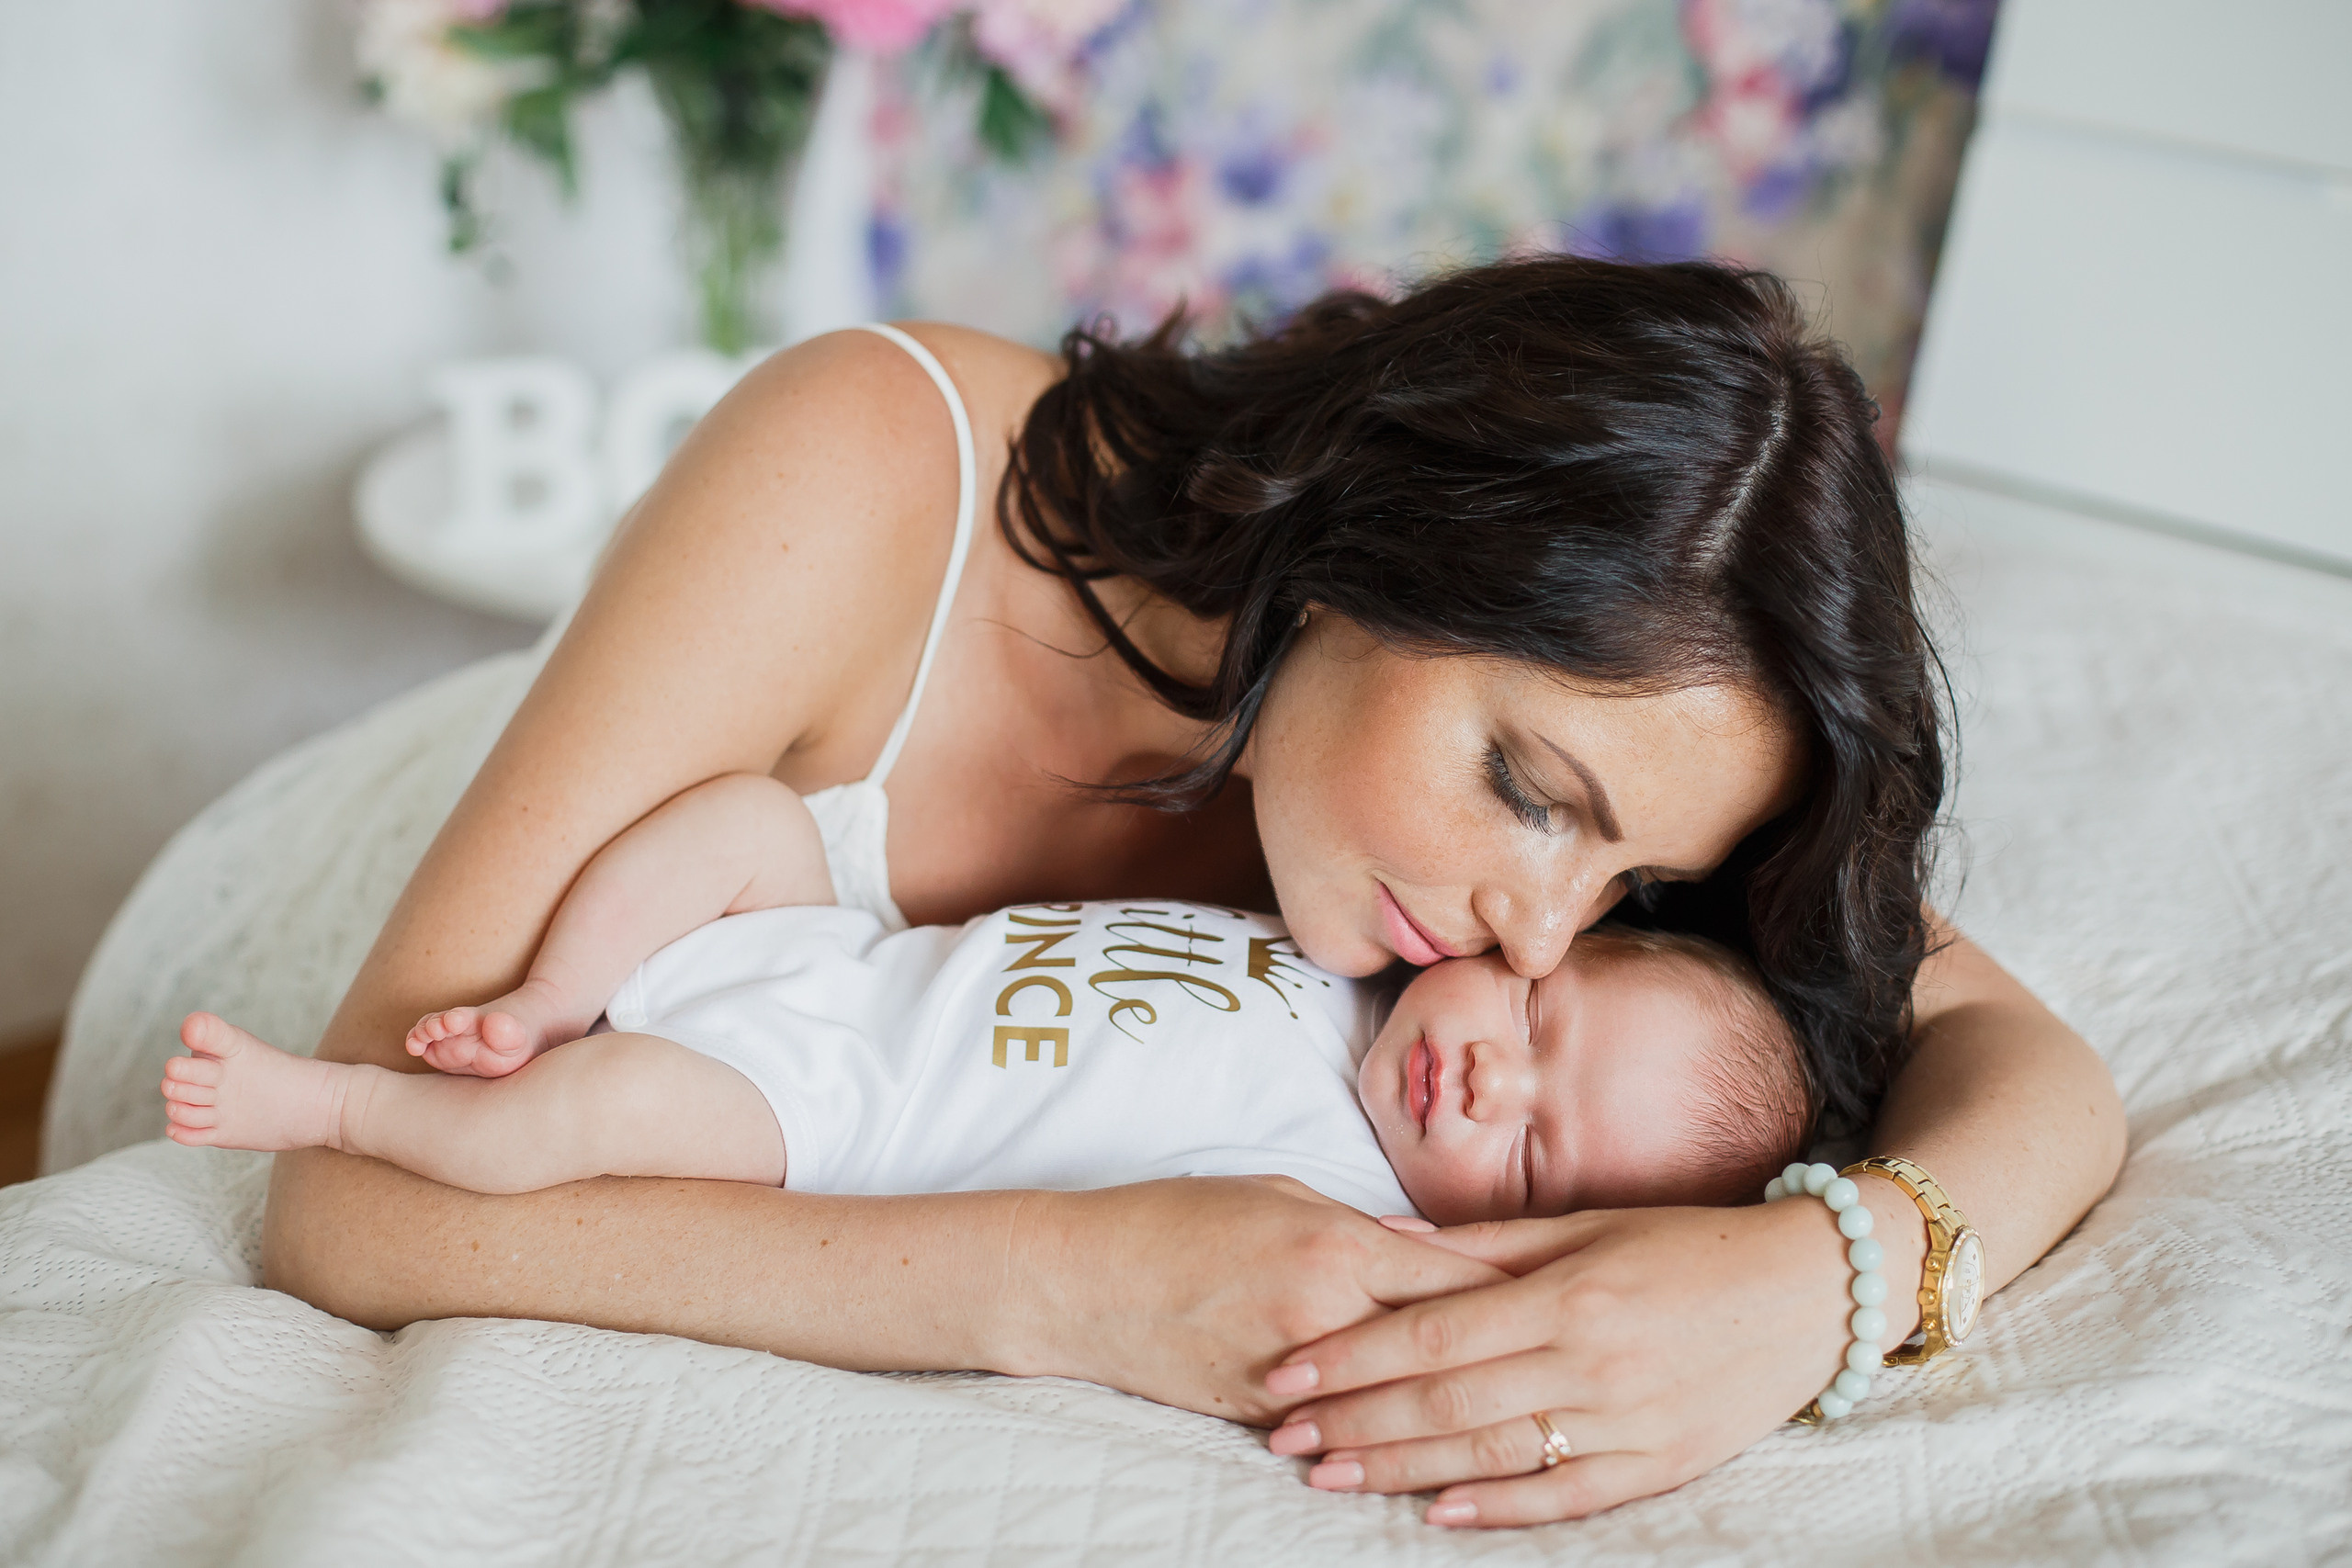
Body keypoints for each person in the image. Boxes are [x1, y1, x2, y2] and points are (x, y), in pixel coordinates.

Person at [261, 257, 2125, 1528]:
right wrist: (1066, 1278)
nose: (1540, 932)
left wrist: (1817, 1279)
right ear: (1370, 538)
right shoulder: (860, 474)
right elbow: (343, 1204)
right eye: (1524, 791)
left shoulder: (1510, 929)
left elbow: (2023, 1059)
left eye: (1637, 877)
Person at [161, 772, 1812, 1224]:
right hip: (845, 964)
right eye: (1536, 1031)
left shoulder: (1340, 1193)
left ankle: (334, 1105)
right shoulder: (1356, 943)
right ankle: (545, 994)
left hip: (821, 1118)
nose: (1489, 1092)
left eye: (1530, 1158)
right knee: (742, 819)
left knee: (589, 1122)